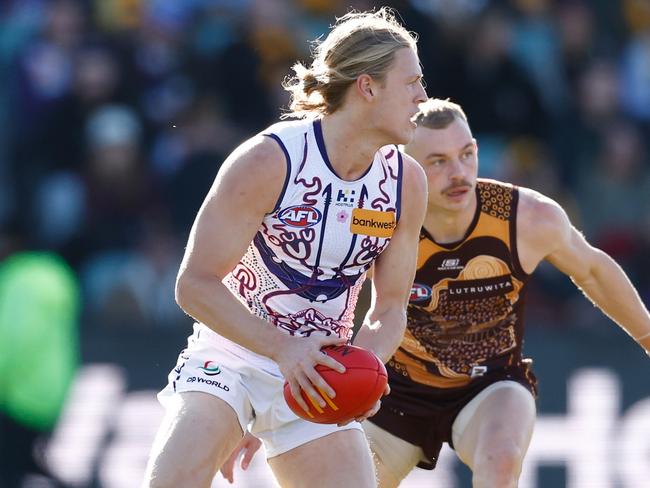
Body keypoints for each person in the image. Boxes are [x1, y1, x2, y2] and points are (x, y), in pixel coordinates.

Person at [222, 98, 650, 488]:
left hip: (492, 383)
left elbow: (593, 270)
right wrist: (275, 409)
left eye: (467, 155)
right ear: (408, 169)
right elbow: (308, 311)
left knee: (501, 460)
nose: (459, 174)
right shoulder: (378, 222)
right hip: (391, 391)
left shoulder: (525, 216)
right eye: (438, 162)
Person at [143, 8, 428, 488]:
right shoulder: (269, 160)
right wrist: (283, 351)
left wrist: (364, 370)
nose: (423, 97)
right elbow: (193, 285)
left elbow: (391, 308)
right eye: (412, 83)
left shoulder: (407, 183)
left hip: (318, 370)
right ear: (367, 87)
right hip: (235, 354)